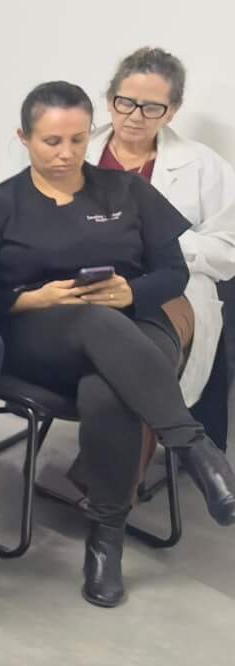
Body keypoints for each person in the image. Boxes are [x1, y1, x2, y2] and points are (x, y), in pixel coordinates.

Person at [0, 80, 235, 607]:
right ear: (23, 138)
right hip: (39, 338)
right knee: (94, 323)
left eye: (77, 139)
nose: (67, 153)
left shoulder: (128, 191)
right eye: (51, 141)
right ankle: (193, 445)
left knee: (109, 388)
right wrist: (33, 299)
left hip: (136, 324)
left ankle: (105, 539)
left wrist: (130, 290)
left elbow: (174, 274)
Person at [89, 47, 235, 437]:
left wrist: (164, 248)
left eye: (151, 107)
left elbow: (229, 248)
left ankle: (107, 483)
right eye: (125, 103)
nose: (135, 116)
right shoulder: (73, 152)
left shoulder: (204, 166)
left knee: (138, 357)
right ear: (109, 101)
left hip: (169, 289)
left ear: (172, 111)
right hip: (83, 287)